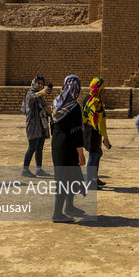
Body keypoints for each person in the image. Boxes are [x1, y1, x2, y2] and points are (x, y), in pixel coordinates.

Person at [51, 75, 87, 223]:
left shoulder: (56, 103)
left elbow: (52, 127)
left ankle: (69, 207)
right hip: (69, 146)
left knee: (69, 177)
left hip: (57, 144)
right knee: (64, 180)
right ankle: (57, 214)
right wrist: (81, 154)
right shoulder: (74, 107)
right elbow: (77, 132)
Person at [82, 77, 112, 189]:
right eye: (102, 88)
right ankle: (90, 182)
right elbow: (100, 122)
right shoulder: (96, 101)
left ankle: (94, 178)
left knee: (97, 154)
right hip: (93, 132)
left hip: (89, 131)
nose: (103, 91)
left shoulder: (88, 98)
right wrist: (106, 138)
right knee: (93, 155)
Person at [21, 76, 52, 178]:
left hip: (41, 125)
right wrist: (41, 92)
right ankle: (25, 170)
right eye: (38, 83)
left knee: (39, 148)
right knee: (32, 147)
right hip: (33, 125)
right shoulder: (30, 93)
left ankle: (39, 169)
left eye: (41, 84)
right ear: (33, 83)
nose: (40, 85)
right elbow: (31, 99)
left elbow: (45, 109)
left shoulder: (40, 97)